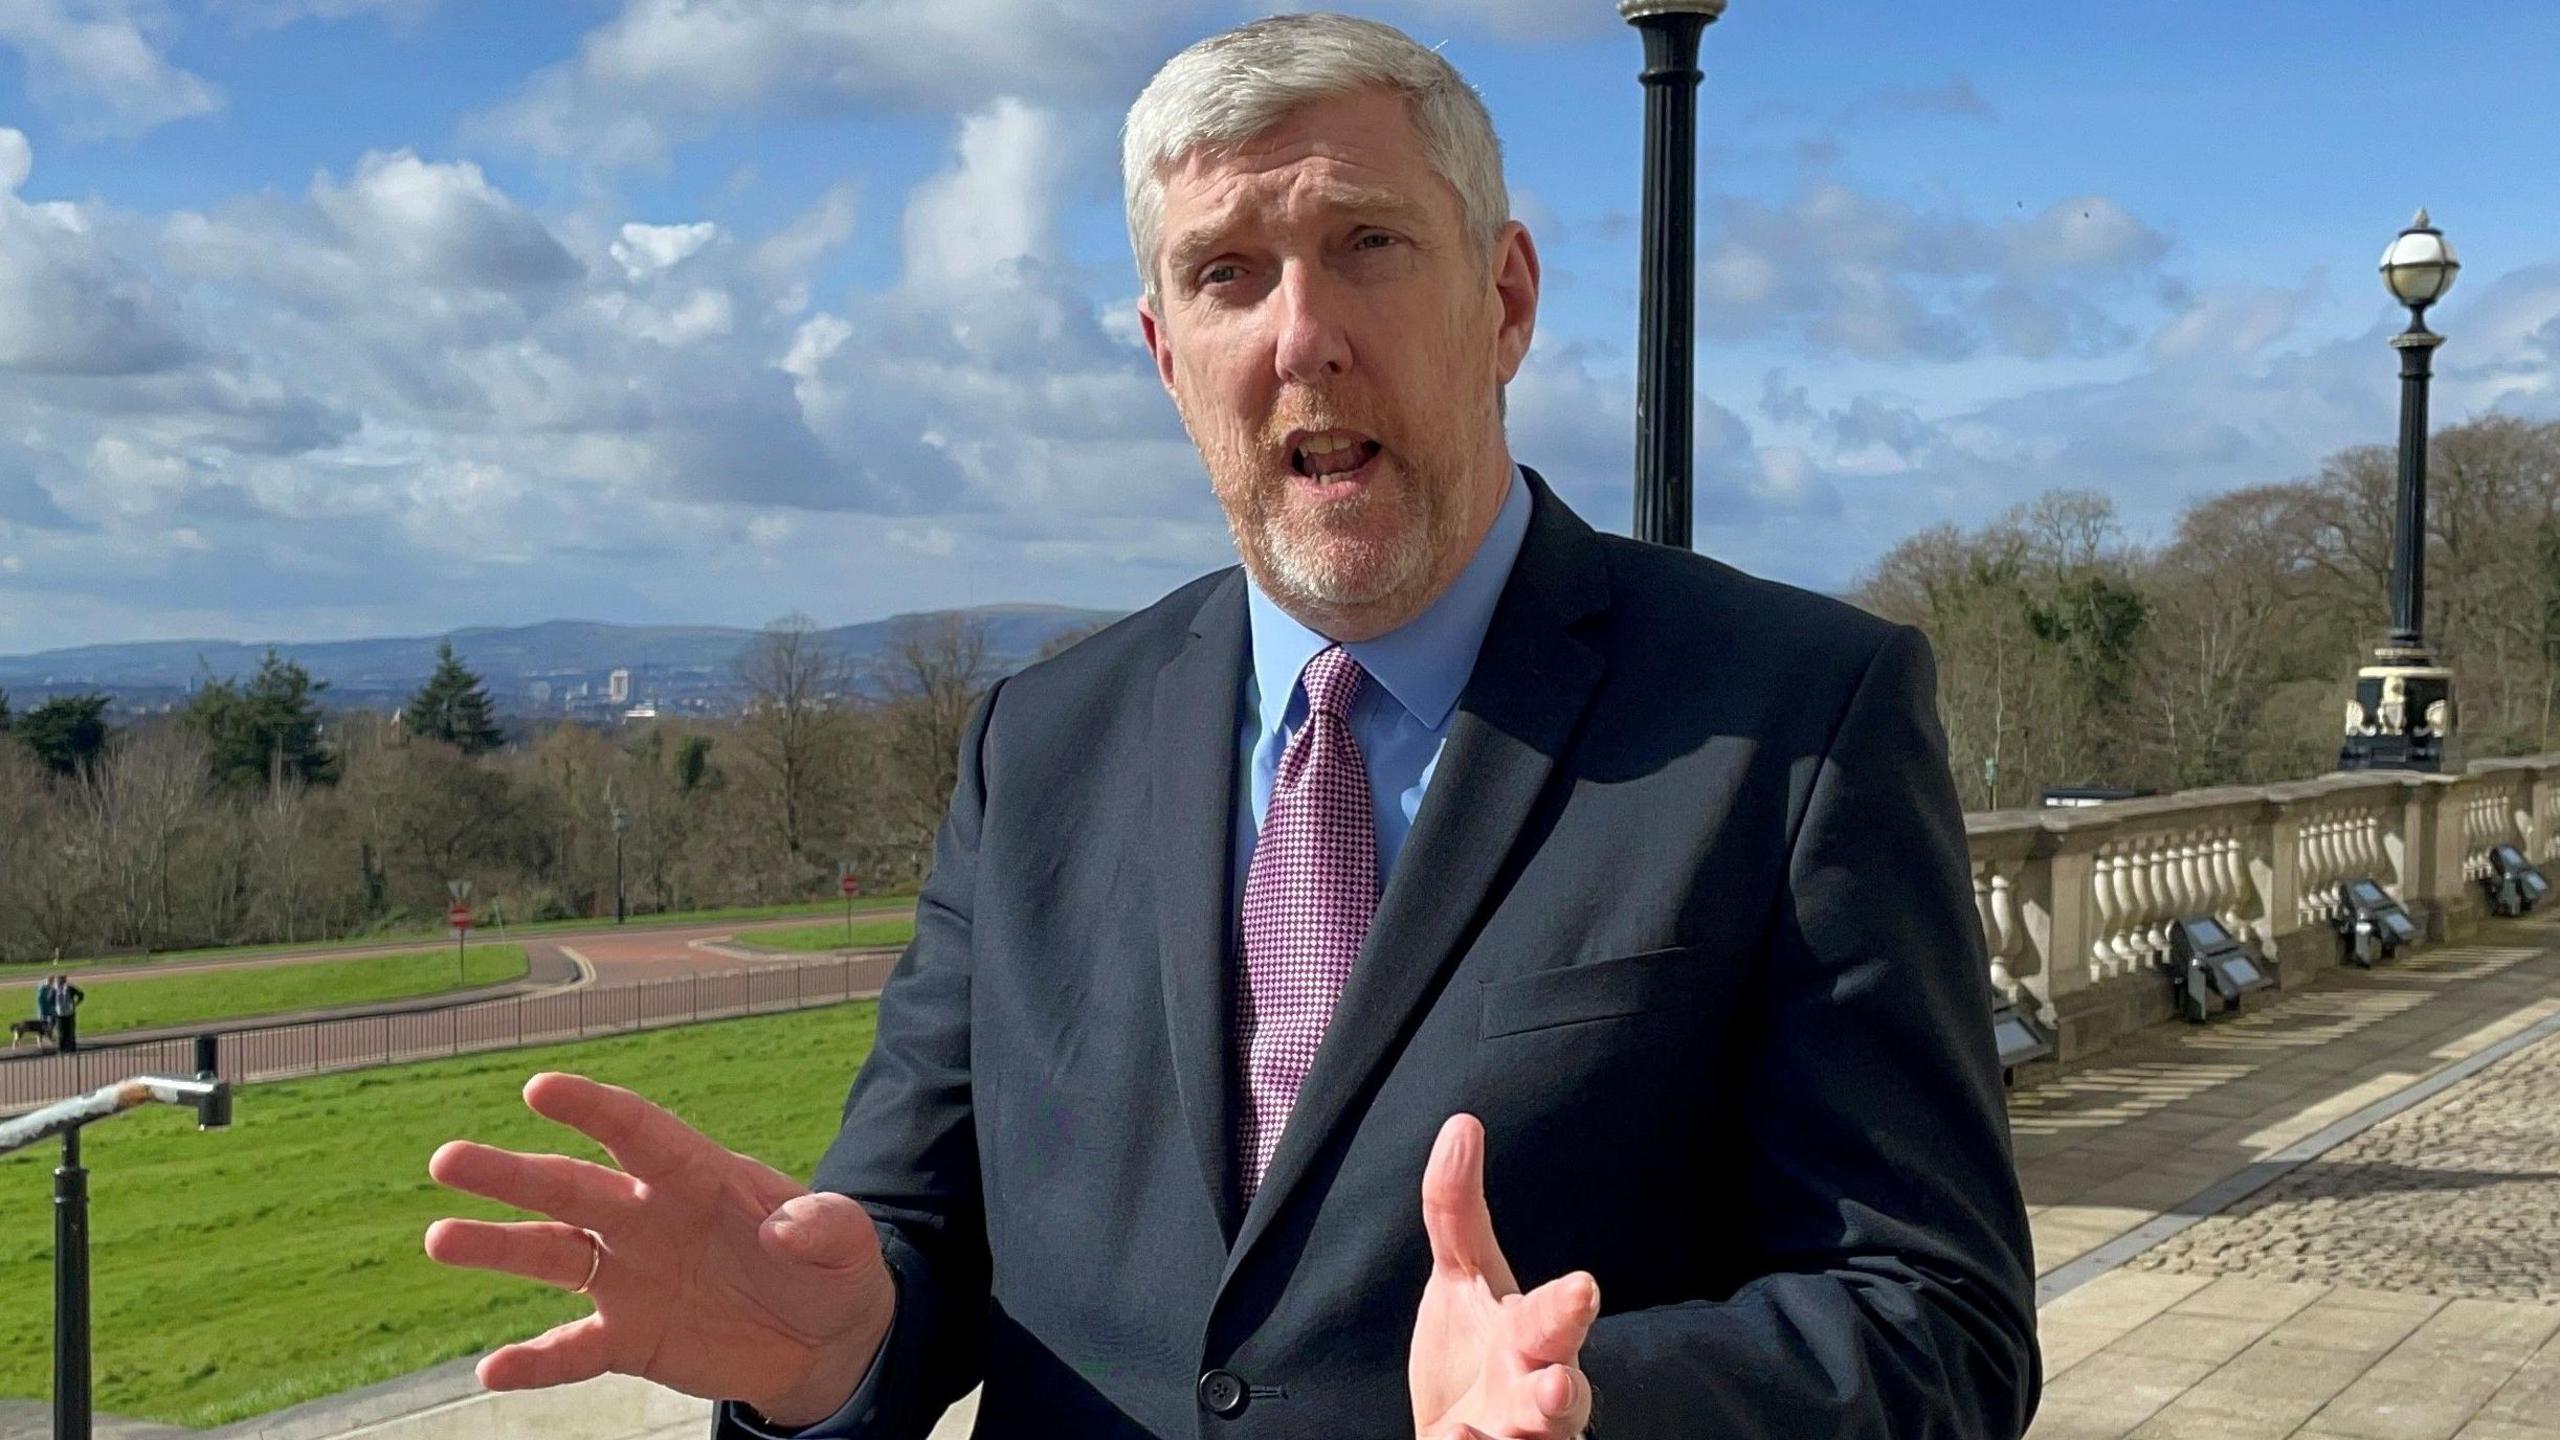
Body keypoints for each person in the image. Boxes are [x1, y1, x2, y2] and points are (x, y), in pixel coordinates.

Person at [423, 14, 2040, 1439]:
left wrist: (1598, 1396)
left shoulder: (1794, 718)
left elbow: (1938, 1325)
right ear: (1162, 353)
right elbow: (912, 1240)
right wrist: (832, 1351)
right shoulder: (1034, 745)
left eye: (1367, 244)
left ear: (1508, 295)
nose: (1300, 335)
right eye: (1226, 275)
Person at [50, 973, 82, 1053]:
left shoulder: (54, 989)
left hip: (60, 1014)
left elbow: (49, 999)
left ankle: (62, 1049)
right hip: (69, 1013)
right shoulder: (69, 988)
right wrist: (76, 1003)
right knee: (70, 1031)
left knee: (62, 1032)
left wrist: (55, 1007)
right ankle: (71, 1048)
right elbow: (81, 994)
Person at [33, 974, 57, 1047]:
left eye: (52, 981)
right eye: (51, 981)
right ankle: (39, 1039)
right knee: (42, 1024)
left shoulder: (52, 986)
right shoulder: (42, 986)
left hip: (50, 1008)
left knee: (52, 1023)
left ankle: (50, 1036)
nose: (52, 982)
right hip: (43, 1009)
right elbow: (40, 998)